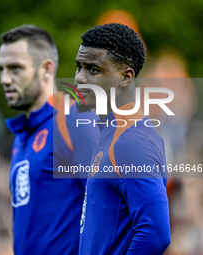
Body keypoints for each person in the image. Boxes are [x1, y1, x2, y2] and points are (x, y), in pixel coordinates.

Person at [0, 25, 99, 255]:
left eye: (15, 69)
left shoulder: (73, 120)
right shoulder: (21, 136)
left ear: (46, 69)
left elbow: (116, 203)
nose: (5, 79)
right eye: (1, 69)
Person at [75, 23, 171, 254]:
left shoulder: (131, 141)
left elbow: (156, 233)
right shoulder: (112, 132)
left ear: (126, 77)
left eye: (93, 70)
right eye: (79, 67)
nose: (79, 78)